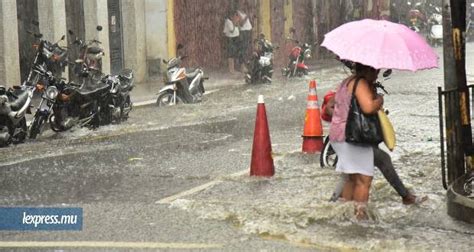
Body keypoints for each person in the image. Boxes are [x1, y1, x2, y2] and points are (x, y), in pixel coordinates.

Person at [329, 62, 384, 220]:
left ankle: (346, 214)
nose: (377, 74)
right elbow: (368, 107)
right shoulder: (360, 83)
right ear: (368, 68)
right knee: (363, 179)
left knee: (352, 178)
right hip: (354, 137)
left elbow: (329, 107)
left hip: (339, 136)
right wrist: (379, 100)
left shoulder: (346, 82)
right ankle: (360, 217)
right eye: (376, 70)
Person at [223, 10, 240, 75]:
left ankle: (233, 69)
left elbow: (238, 28)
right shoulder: (228, 21)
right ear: (232, 16)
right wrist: (234, 22)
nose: (236, 17)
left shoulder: (232, 21)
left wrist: (236, 23)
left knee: (233, 54)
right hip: (230, 39)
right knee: (230, 54)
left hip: (235, 38)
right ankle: (231, 70)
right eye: (235, 16)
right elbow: (232, 30)